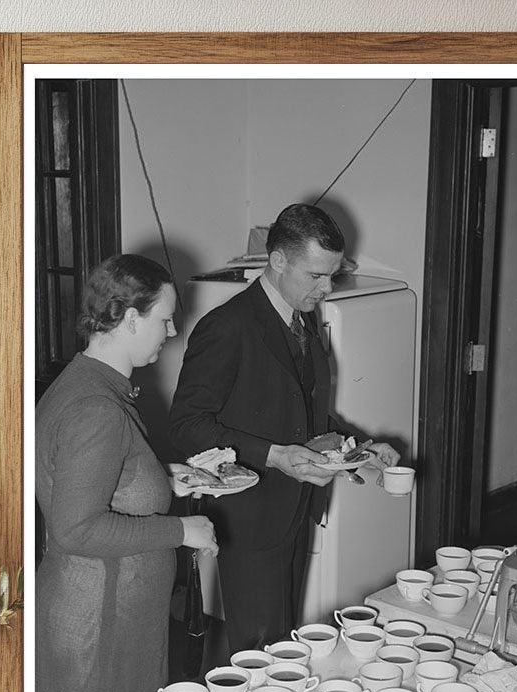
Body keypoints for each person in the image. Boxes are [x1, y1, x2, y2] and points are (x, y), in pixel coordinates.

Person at [169, 204, 398, 652]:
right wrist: (274, 456)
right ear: (277, 261)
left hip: (298, 505)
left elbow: (301, 411)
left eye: (331, 275)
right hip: (251, 518)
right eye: (316, 275)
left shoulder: (299, 316)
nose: (326, 288)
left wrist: (360, 448)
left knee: (282, 643)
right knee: (256, 650)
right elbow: (187, 424)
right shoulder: (226, 327)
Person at [34, 255, 217, 692]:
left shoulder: (82, 383)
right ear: (131, 319)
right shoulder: (98, 407)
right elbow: (77, 528)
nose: (173, 329)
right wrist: (183, 532)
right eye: (164, 318)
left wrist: (162, 480)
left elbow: (93, 481)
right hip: (101, 621)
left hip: (100, 610)